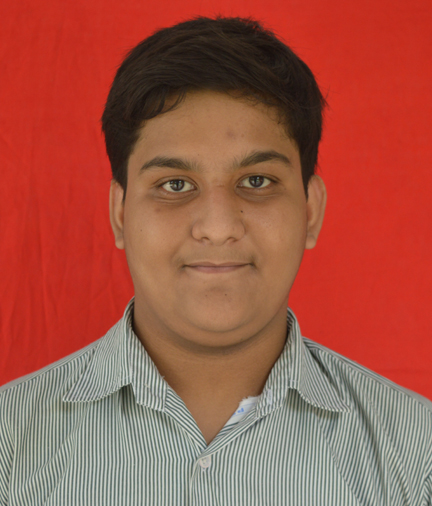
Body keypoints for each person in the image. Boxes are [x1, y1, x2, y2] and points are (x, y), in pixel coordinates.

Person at [0, 16, 431, 506]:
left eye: (257, 181)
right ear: (120, 214)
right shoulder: (10, 447)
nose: (219, 226)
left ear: (310, 211)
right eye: (175, 185)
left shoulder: (417, 457)